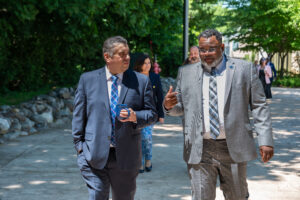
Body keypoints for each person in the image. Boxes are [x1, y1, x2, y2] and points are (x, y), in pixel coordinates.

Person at [163, 29, 274, 200]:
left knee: (237, 196)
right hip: (200, 149)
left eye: (211, 49)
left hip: (233, 147)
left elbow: (259, 105)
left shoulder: (244, 69)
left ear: (222, 46)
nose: (206, 54)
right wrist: (169, 106)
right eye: (202, 49)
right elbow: (181, 107)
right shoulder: (186, 72)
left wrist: (265, 139)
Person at [72, 36, 157, 200]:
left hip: (126, 156)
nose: (127, 58)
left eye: (128, 53)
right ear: (107, 57)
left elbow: (152, 114)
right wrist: (80, 148)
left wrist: (135, 116)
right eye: (122, 54)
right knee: (98, 195)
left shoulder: (140, 81)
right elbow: (78, 116)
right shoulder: (87, 80)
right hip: (93, 154)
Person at [133, 54, 164, 173]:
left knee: (146, 137)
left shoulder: (155, 77)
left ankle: (148, 159)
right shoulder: (133, 77)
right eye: (145, 63)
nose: (148, 65)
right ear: (139, 65)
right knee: (138, 137)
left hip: (151, 112)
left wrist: (161, 115)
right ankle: (139, 162)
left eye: (149, 63)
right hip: (136, 113)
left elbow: (160, 96)